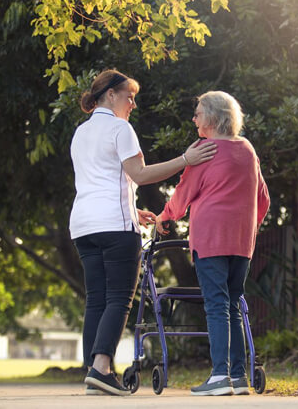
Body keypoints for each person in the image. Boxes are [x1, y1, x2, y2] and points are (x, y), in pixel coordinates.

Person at [69, 69, 217, 396]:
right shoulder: (121, 128)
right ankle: (102, 367)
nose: (133, 104)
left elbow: (99, 180)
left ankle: (92, 370)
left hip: (83, 224)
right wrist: (186, 159)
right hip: (114, 226)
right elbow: (140, 173)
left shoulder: (81, 133)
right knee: (119, 298)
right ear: (110, 95)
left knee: (96, 297)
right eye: (129, 97)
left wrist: (133, 209)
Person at [155, 91, 270, 396]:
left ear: (215, 117)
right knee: (232, 304)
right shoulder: (247, 149)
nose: (194, 119)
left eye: (198, 113)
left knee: (217, 305)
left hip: (211, 239)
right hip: (242, 241)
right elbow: (263, 199)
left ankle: (219, 375)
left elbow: (182, 195)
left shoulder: (205, 151)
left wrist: (164, 217)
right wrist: (247, 227)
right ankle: (237, 377)